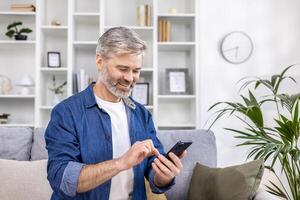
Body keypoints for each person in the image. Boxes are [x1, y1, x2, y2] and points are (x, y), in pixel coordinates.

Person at [45, 26, 187, 200]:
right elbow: (63, 179)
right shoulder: (66, 113)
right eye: (122, 69)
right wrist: (121, 163)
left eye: (136, 71)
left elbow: (152, 168)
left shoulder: (141, 114)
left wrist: (163, 175)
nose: (130, 78)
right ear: (99, 61)